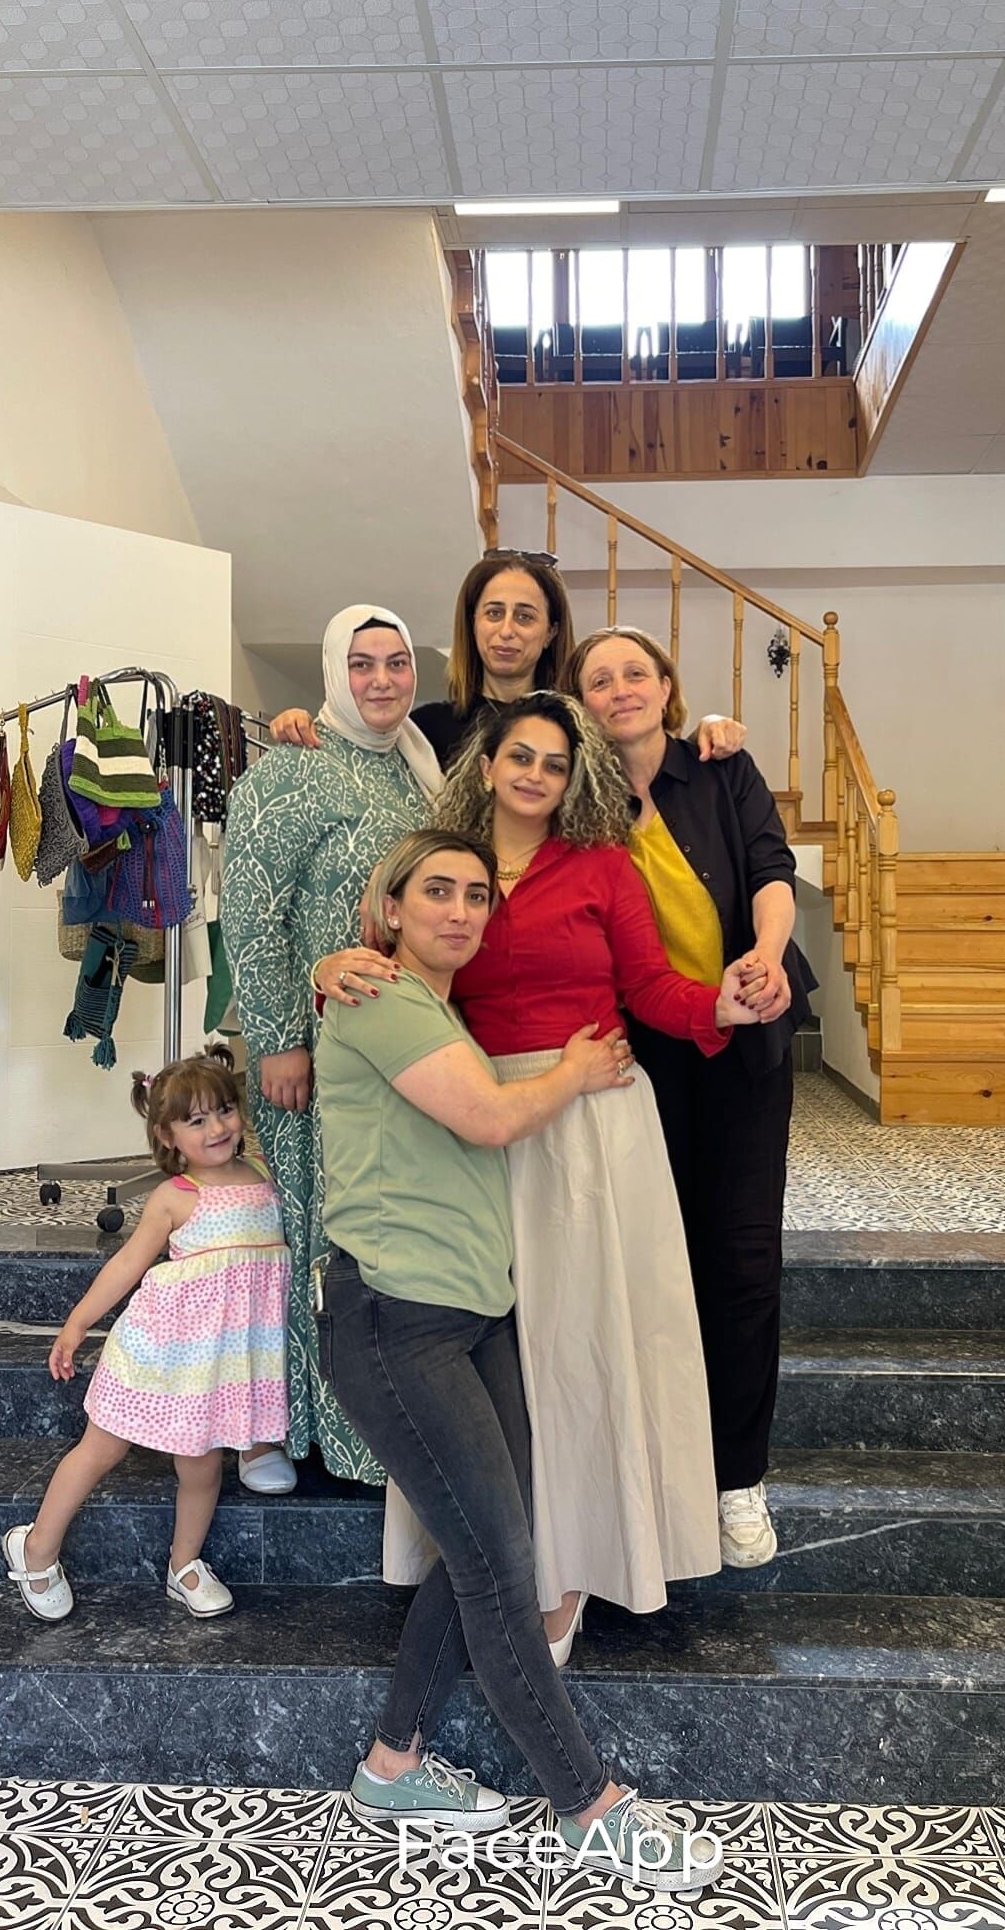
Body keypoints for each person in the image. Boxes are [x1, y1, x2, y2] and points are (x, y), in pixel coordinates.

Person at [315, 828, 723, 1893]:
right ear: (390, 908)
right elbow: (494, 1117)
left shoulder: (430, 1005)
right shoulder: (381, 999)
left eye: (476, 896)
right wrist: (579, 1070)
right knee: (502, 1568)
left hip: (473, 1317)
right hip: (396, 1324)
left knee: (489, 1546)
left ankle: (392, 1764)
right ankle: (590, 1804)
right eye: (436, 892)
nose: (460, 911)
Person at [394, 692, 762, 1664]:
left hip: (596, 1123)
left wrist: (718, 1005)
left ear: (572, 780)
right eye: (521, 756)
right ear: (486, 766)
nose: (536, 776)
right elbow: (403, 967)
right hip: (483, 1120)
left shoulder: (603, 866)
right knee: (497, 1357)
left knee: (583, 1351)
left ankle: (578, 1568)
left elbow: (650, 988)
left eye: (555, 764)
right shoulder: (448, 869)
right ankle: (496, 1559)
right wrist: (334, 970)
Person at [566, 626, 814, 1570]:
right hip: (643, 1056)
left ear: (667, 686)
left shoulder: (722, 767)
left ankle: (737, 1478)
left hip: (747, 1033)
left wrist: (764, 956)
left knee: (743, 1258)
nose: (620, 689)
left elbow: (772, 872)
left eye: (636, 672)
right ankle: (667, 1466)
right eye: (599, 679)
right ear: (581, 703)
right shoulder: (577, 800)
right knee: (655, 1261)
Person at [220, 605, 442, 1490]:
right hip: (314, 1053)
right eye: (361, 664)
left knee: (376, 1233)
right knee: (313, 1232)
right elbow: (251, 910)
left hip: (401, 1055)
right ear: (331, 673)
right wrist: (278, 1039)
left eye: (396, 662)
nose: (381, 680)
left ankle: (378, 1429)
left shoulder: (419, 771)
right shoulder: (292, 769)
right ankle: (297, 1426)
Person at [0, 1047, 289, 1622]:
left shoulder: (264, 1175)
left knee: (201, 1464)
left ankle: (185, 1566)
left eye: (225, 1110)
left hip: (219, 1366)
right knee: (100, 1449)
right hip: (159, 1351)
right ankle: (36, 1546)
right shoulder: (175, 1196)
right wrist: (78, 1323)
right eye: (196, 1120)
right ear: (167, 1135)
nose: (217, 1128)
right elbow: (127, 1265)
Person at [269, 548, 746, 770]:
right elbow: (361, 759)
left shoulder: (581, 726)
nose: (506, 631)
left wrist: (707, 727)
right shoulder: (424, 730)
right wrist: (304, 721)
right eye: (493, 613)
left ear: (550, 631)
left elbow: (649, 757)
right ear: (473, 623)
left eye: (525, 616)